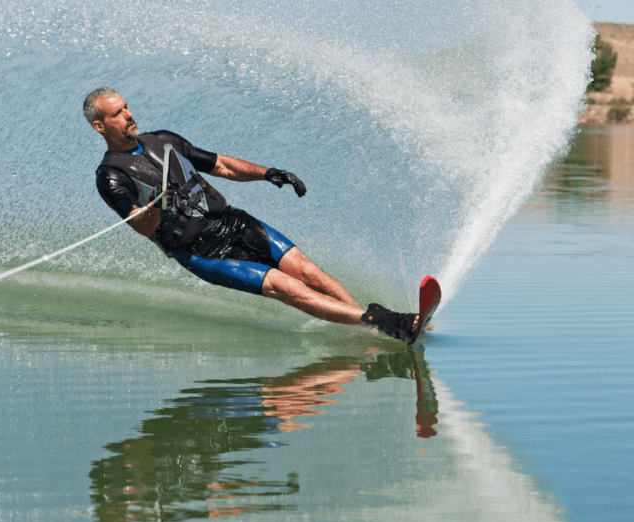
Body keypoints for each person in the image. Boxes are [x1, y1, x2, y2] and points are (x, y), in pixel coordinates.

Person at [84, 87, 419, 341]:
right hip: (201, 250)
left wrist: (268, 173)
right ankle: (385, 322)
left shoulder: (163, 140)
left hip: (232, 221)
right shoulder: (111, 175)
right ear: (100, 125)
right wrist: (156, 205)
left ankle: (370, 329)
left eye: (126, 107)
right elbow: (141, 227)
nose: (128, 114)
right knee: (285, 286)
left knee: (307, 272)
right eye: (117, 113)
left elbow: (222, 165)